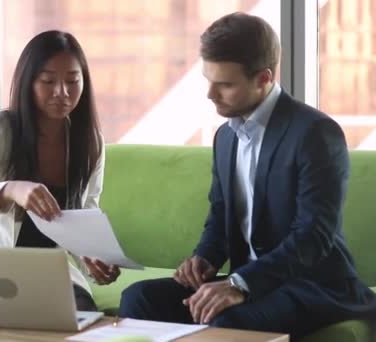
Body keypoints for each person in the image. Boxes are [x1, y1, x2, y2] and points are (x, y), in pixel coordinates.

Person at [118, 12, 376, 339]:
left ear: (264, 79)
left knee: (227, 323)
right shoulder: (225, 137)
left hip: (312, 286)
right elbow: (222, 212)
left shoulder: (315, 133)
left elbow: (313, 235)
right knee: (139, 298)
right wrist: (204, 258)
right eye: (208, 80)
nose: (211, 94)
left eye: (224, 84)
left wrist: (240, 284)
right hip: (246, 280)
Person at [0, 30, 120, 311]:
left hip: (48, 270)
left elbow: (83, 215)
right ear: (28, 82)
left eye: (72, 81)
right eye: (48, 81)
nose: (62, 93)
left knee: (82, 316)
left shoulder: (90, 143)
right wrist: (10, 190)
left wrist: (94, 259)